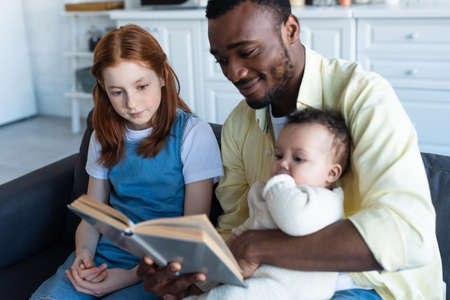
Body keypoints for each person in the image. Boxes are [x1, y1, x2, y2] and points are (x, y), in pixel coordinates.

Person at [137, 0, 445, 299]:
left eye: (247, 52)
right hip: (273, 286)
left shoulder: (363, 96)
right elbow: (236, 230)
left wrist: (259, 247)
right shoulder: (238, 126)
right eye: (221, 60)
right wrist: (190, 275)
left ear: (291, 30)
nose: (234, 73)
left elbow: (408, 235)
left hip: (373, 288)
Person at [30, 24, 223, 300]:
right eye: (117, 92)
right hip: (103, 257)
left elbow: (193, 234)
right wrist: (84, 254)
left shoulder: (193, 134)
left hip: (159, 268)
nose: (131, 103)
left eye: (141, 86)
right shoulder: (104, 134)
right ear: (103, 89)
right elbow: (93, 216)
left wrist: (130, 276)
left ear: (163, 75)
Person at [186, 108, 351, 300]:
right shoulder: (269, 194)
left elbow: (294, 220)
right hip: (259, 282)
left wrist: (278, 183)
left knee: (230, 297)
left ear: (331, 173)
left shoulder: (327, 201)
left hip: (293, 290)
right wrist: (204, 280)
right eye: (279, 155)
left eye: (298, 158)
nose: (283, 164)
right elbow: (243, 234)